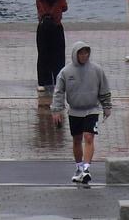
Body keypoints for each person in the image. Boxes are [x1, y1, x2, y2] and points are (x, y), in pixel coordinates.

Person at [50, 41, 112, 186]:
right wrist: (56, 110)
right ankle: (78, 167)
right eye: (81, 53)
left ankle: (86, 168)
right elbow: (58, 93)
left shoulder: (97, 70)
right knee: (77, 140)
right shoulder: (66, 72)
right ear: (75, 54)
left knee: (89, 137)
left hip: (92, 109)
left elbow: (104, 89)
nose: (84, 55)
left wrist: (106, 106)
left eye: (86, 52)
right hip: (74, 111)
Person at [34, 0, 69, 92]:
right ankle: (58, 81)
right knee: (58, 56)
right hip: (56, 28)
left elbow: (39, 9)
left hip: (42, 29)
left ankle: (43, 82)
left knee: (43, 54)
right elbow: (64, 8)